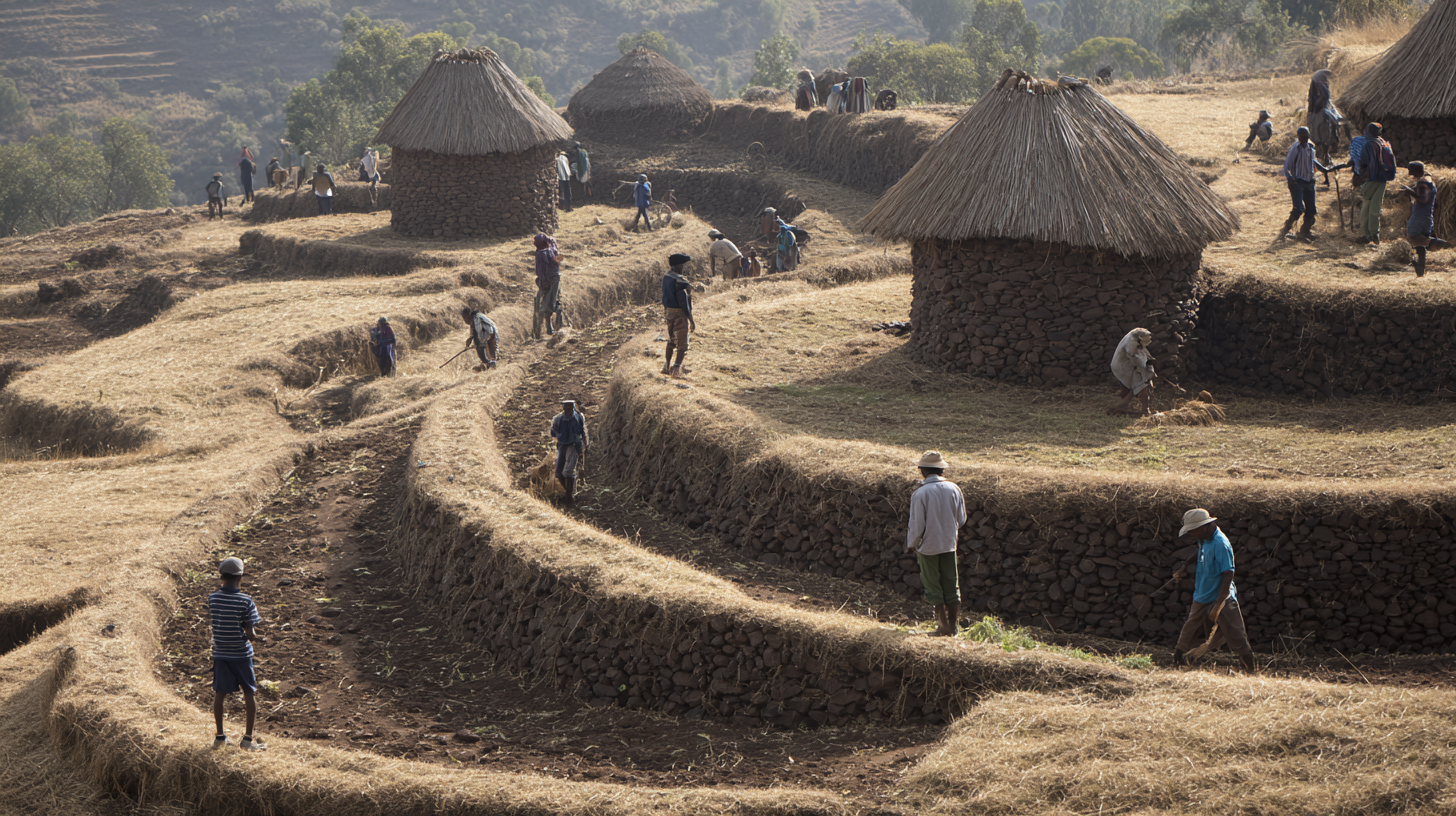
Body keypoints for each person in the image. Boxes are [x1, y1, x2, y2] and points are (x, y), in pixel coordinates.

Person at [1171, 509, 1256, 672]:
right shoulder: (1204, 538)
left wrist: (1219, 604)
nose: (1191, 534)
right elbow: (1201, 553)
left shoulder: (1220, 544)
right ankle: (1179, 661)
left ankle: (1251, 670)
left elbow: (1228, 573)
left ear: (1202, 527)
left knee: (1236, 633)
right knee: (1190, 627)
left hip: (1221, 597)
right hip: (1202, 593)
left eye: (1192, 531)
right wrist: (1185, 565)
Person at [905, 451, 967, 637]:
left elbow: (917, 525)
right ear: (941, 470)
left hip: (928, 546)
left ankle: (942, 627)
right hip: (949, 544)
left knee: (933, 585)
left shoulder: (920, 493)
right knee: (951, 583)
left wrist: (912, 544)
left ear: (923, 471)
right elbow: (961, 519)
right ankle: (954, 627)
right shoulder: (954, 488)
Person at [209, 557, 266, 750]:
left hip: (220, 653)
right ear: (241, 576)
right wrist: (254, 637)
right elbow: (250, 633)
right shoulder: (246, 601)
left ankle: (219, 737)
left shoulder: (213, 598)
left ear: (221, 576)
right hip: (241, 654)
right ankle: (247, 740)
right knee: (249, 692)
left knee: (220, 693)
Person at [1281, 126, 1331, 242]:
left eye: (1306, 136)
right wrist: (1291, 179)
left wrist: (1324, 170)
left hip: (1309, 181)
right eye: (1302, 136)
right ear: (1298, 137)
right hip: (1297, 181)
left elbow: (1313, 162)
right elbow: (1287, 166)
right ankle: (1286, 228)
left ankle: (1305, 232)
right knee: (1298, 209)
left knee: (1311, 209)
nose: (1304, 139)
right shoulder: (1295, 148)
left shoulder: (1310, 147)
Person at [1355, 122, 1397, 246]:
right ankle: (1375, 235)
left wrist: (1359, 175)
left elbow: (1363, 163)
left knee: (1366, 205)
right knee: (1376, 208)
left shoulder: (1368, 145)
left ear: (1369, 132)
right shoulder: (1384, 143)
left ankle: (1365, 235)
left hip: (1370, 178)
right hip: (1382, 179)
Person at [1401, 161, 1438, 277]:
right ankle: (1420, 270)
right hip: (1427, 217)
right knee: (1420, 246)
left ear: (1416, 170)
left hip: (1419, 216)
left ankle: (1441, 244)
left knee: (1414, 237)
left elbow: (1423, 199)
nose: (1410, 173)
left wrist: (1409, 191)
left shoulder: (1422, 183)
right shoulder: (1429, 181)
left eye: (1411, 170)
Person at [549, 398, 589, 506]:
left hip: (574, 445)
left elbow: (583, 432)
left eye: (570, 408)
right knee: (558, 472)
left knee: (568, 471)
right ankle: (569, 491)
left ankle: (569, 497)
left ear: (573, 408)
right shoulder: (558, 419)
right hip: (562, 445)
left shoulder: (579, 417)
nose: (568, 410)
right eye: (566, 408)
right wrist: (557, 435)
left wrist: (585, 446)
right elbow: (553, 432)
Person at [661, 253, 694, 378]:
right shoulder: (679, 281)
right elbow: (683, 301)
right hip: (679, 312)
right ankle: (676, 370)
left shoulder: (666, 277)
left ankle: (667, 366)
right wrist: (690, 319)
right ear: (676, 266)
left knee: (671, 340)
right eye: (681, 265)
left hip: (668, 311)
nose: (682, 268)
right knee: (683, 345)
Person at [1110, 327, 1156, 415]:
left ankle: (1123, 406)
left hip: (1132, 363)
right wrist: (1145, 371)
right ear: (1140, 338)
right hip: (1123, 366)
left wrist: (1149, 361)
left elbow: (1143, 350)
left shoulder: (1137, 337)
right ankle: (1145, 410)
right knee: (1143, 383)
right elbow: (1134, 358)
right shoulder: (1130, 342)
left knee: (1141, 383)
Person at [532, 233, 563, 338]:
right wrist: (552, 241)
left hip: (542, 280)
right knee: (553, 301)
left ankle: (548, 328)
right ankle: (547, 313)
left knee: (546, 297)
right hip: (553, 279)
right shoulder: (548, 252)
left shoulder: (538, 253)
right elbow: (557, 258)